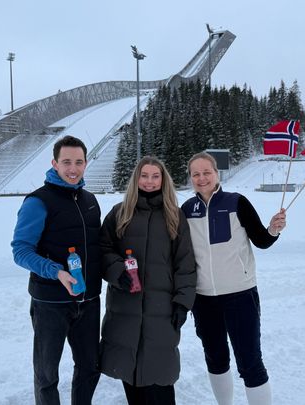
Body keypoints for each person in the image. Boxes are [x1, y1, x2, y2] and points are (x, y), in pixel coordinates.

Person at [180, 152, 287, 405]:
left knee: (250, 362)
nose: (201, 178)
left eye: (206, 172)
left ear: (217, 174)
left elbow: (261, 239)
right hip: (204, 299)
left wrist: (273, 229)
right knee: (215, 359)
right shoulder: (186, 210)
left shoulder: (237, 202)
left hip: (240, 295)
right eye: (196, 174)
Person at [11, 135, 101, 405]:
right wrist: (56, 271)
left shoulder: (89, 200)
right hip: (51, 302)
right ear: (54, 163)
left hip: (89, 300)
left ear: (86, 163)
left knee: (89, 367)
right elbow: (21, 250)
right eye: (66, 162)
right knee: (47, 373)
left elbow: (97, 247)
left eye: (78, 162)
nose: (72, 168)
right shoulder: (38, 201)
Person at [99, 156, 197, 405]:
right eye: (145, 176)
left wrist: (182, 303)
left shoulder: (175, 216)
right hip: (125, 308)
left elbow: (185, 263)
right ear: (136, 178)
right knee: (130, 377)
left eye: (155, 176)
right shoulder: (119, 213)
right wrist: (117, 270)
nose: (150, 181)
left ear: (163, 180)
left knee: (160, 381)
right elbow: (102, 249)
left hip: (162, 311)